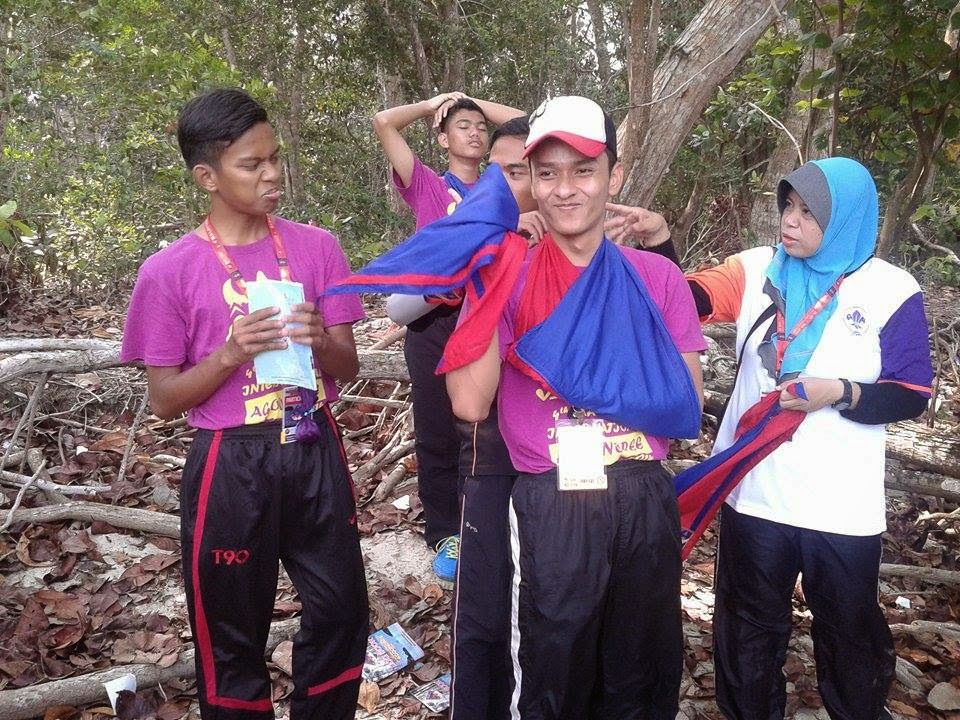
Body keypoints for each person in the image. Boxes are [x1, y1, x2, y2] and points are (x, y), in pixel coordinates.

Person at [613, 157, 933, 720]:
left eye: (808, 213)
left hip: (841, 505)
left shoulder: (891, 289)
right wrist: (659, 241)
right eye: (788, 205)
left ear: (845, 220)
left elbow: (910, 392)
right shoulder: (757, 268)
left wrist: (840, 392)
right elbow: (681, 303)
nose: (789, 220)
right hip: (756, 492)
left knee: (849, 633)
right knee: (747, 631)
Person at [445, 96, 706, 719]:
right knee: (552, 672)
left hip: (642, 491)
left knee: (642, 672)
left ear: (614, 175)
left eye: (583, 170)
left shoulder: (657, 277)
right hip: (553, 496)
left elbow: (686, 406)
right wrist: (487, 283)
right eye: (548, 173)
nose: (564, 189)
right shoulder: (511, 274)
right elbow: (470, 402)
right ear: (531, 182)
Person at [120, 88, 368, 720]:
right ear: (208, 176)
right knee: (232, 628)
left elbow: (348, 365)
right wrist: (229, 354)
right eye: (252, 164)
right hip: (231, 462)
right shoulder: (168, 271)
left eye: (274, 158)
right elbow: (163, 400)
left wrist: (320, 339)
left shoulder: (317, 247)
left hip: (312, 442)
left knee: (341, 611)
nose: (272, 174)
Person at [372, 92, 522, 582]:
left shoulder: (505, 184)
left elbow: (531, 122)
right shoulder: (430, 188)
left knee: (495, 423)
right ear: (441, 139)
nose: (474, 132)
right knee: (438, 428)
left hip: (494, 314)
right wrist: (434, 103)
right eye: (461, 125)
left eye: (480, 126)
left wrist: (473, 101)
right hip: (435, 319)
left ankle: (492, 519)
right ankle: (446, 532)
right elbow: (384, 122)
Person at [450, 115, 540, 720]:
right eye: (500, 172)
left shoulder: (595, 252)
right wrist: (498, 254)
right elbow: (404, 306)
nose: (507, 187)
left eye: (521, 172)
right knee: (484, 604)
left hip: (568, 463)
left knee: (552, 604)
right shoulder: (480, 242)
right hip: (492, 454)